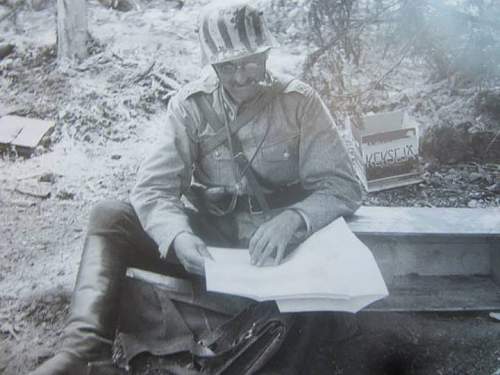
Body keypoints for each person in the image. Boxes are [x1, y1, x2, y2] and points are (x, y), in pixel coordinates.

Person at [29, 2, 363, 375]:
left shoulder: (299, 103)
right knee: (111, 216)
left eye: (251, 61)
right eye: (227, 66)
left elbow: (342, 185)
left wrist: (294, 220)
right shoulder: (190, 106)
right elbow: (154, 188)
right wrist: (178, 237)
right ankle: (85, 351)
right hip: (213, 244)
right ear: (211, 64)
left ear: (266, 52)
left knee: (314, 324)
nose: (240, 76)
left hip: (283, 250)